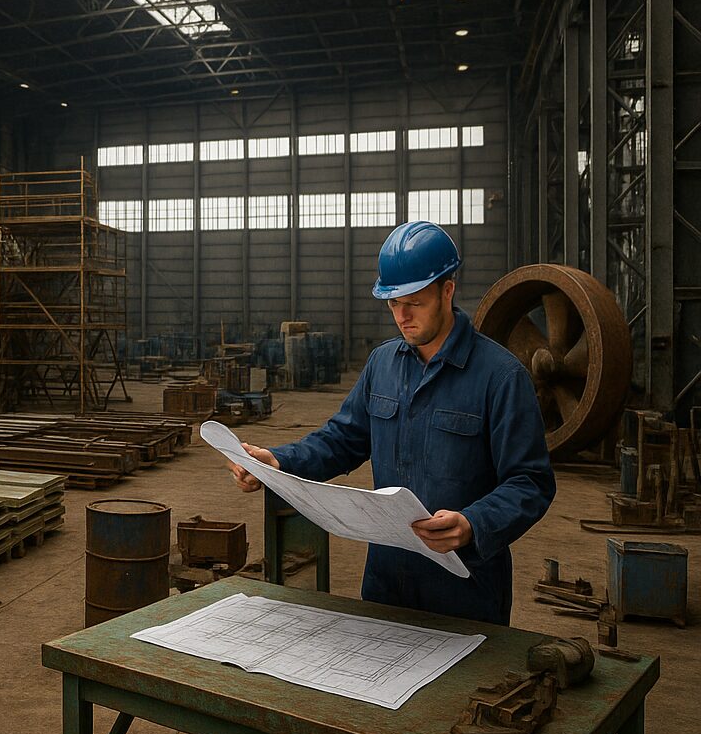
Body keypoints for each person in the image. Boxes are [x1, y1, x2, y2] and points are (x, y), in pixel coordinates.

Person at [226, 221, 555, 625]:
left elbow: (530, 482)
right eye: (392, 302)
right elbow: (342, 439)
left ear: (447, 290)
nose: (402, 315)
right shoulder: (382, 365)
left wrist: (473, 524)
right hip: (385, 581)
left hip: (465, 587)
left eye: (414, 301)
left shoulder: (500, 377)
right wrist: (277, 462)